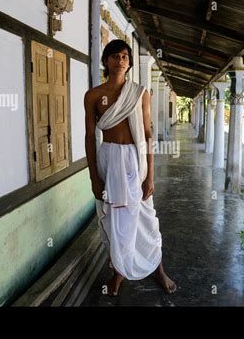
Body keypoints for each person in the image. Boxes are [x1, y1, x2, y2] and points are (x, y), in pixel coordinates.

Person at [84, 39, 177, 296]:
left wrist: (151, 175)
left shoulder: (140, 93)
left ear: (130, 62)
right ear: (105, 61)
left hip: (136, 163)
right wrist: (93, 177)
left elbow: (147, 134)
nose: (120, 59)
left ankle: (158, 269)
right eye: (114, 55)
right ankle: (119, 272)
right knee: (114, 219)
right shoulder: (93, 96)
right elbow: (90, 137)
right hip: (109, 160)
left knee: (146, 219)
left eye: (125, 56)